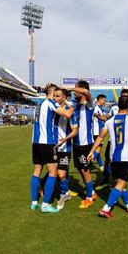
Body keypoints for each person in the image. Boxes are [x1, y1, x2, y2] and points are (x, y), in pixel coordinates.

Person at [87, 95, 128, 218]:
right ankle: (106, 208)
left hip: (113, 158)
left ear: (117, 105)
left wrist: (92, 151)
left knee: (119, 183)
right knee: (121, 183)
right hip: (126, 157)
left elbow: (100, 137)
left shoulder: (109, 121)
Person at [30, 83, 74, 213]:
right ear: (52, 93)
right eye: (56, 94)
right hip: (47, 142)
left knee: (36, 171)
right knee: (53, 172)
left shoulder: (38, 106)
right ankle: (45, 204)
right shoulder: (50, 103)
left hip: (35, 142)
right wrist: (73, 106)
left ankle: (34, 202)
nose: (57, 97)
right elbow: (66, 114)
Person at [71, 80, 98, 209]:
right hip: (76, 144)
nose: (74, 92)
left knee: (86, 171)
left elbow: (87, 92)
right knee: (80, 169)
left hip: (85, 144)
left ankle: (88, 198)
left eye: (77, 89)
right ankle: (91, 192)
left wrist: (70, 88)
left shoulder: (90, 105)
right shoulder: (74, 105)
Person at [53, 88, 78, 209]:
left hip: (64, 147)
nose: (55, 99)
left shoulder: (69, 112)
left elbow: (75, 131)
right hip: (52, 146)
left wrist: (65, 139)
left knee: (61, 174)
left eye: (57, 96)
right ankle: (64, 191)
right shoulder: (52, 109)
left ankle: (64, 195)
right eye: (54, 96)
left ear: (63, 98)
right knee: (54, 172)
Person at [92, 94, 109, 171]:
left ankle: (101, 165)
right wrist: (104, 118)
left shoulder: (101, 108)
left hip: (99, 132)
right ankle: (89, 162)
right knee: (98, 149)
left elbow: (105, 116)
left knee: (96, 149)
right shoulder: (96, 107)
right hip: (97, 132)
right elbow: (97, 115)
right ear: (100, 99)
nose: (105, 102)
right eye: (104, 100)